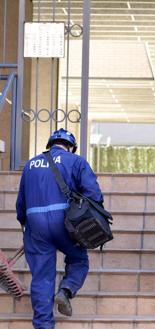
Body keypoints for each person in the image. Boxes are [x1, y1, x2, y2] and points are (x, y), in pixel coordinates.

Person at [16, 128, 104, 329]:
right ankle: (66, 290)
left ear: (50, 144)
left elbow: (20, 203)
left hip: (35, 224)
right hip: (65, 222)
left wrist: (25, 225)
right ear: (71, 147)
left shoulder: (30, 165)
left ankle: (43, 325)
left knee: (42, 277)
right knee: (79, 259)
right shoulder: (77, 161)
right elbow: (94, 195)